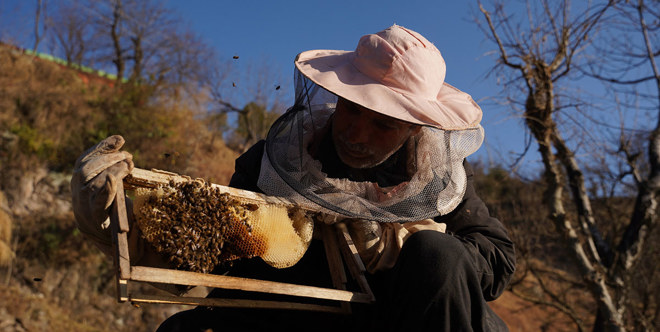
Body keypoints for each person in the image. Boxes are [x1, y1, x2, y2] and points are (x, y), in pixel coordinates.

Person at [71, 25, 515, 331]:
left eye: (383, 125)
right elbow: (218, 259)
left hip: (404, 319)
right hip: (295, 314)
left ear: (414, 129)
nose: (357, 135)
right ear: (338, 96)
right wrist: (122, 223)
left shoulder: (436, 180)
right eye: (353, 110)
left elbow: (497, 261)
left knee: (436, 254)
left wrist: (402, 248)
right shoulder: (273, 160)